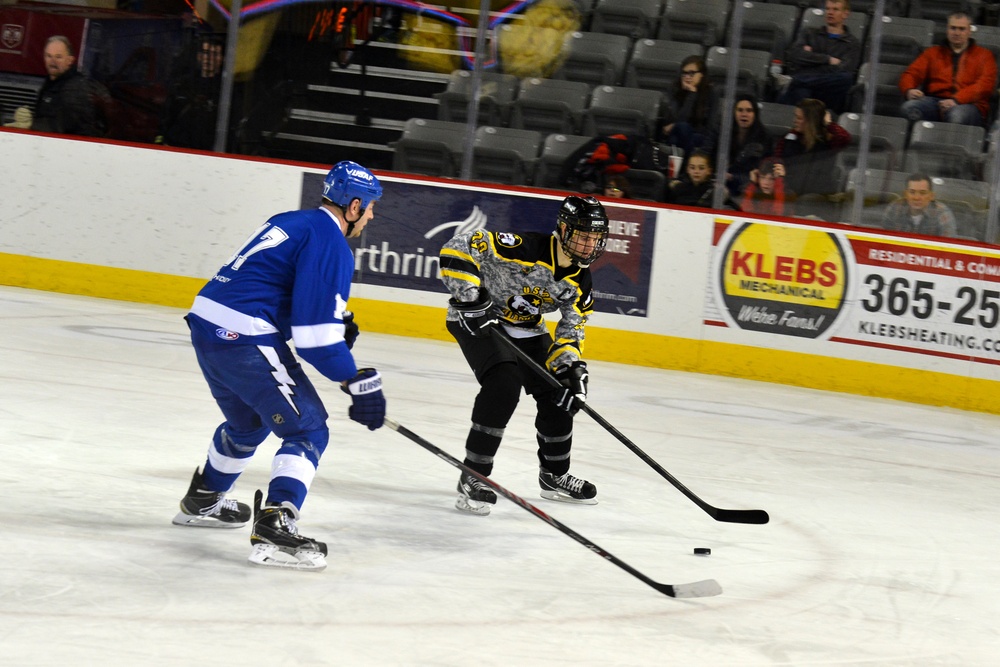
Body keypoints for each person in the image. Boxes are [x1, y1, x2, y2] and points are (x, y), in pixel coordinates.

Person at [172, 161, 387, 571]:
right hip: (244, 337)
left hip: (208, 324)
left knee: (249, 423)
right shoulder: (331, 241)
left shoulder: (293, 220)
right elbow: (314, 341)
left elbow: (267, 288)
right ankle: (276, 524)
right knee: (307, 429)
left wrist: (335, 325)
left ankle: (202, 499)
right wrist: (354, 379)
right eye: (371, 206)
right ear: (354, 205)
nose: (372, 216)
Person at [438, 195, 610, 515]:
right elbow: (457, 247)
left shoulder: (580, 281)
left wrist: (571, 367)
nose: (588, 246)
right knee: (504, 383)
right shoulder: (523, 247)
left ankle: (554, 475)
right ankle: (473, 475)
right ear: (563, 229)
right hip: (476, 319)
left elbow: (571, 330)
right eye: (583, 236)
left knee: (560, 391)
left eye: (595, 239)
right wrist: (471, 298)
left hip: (527, 328)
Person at [898, 12, 997, 126]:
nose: (957, 33)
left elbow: (985, 85)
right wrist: (909, 89)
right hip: (934, 102)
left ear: (969, 31)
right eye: (953, 28)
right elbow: (911, 73)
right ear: (947, 30)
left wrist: (956, 100)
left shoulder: (985, 56)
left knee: (956, 115)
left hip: (970, 105)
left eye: (962, 29)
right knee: (909, 107)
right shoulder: (932, 53)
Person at [777, 0, 862, 114]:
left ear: (845, 14)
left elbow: (844, 70)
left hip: (829, 92)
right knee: (802, 93)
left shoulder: (852, 43)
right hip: (805, 88)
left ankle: (794, 81)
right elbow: (794, 55)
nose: (830, 12)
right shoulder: (809, 33)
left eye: (835, 9)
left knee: (846, 79)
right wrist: (828, 60)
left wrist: (810, 60)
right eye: (828, 9)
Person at [773, 98, 850, 202]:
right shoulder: (789, 138)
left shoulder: (828, 142)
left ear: (811, 121)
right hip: (790, 193)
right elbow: (776, 159)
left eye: (799, 118)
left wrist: (828, 123)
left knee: (807, 200)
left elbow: (845, 138)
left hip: (817, 199)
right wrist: (779, 170)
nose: (794, 121)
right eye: (795, 117)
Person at [159, 34, 225, 149]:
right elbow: (166, 117)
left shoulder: (226, 91)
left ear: (222, 58)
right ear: (199, 56)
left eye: (214, 54)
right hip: (177, 149)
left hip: (209, 154)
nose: (208, 58)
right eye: (205, 53)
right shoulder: (182, 85)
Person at [31, 35, 104, 137]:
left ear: (70, 60)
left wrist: (31, 125)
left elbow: (68, 126)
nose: (52, 61)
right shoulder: (51, 83)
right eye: (48, 56)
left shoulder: (75, 88)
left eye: (58, 57)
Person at [658, 56, 719, 159]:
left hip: (699, 136)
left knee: (678, 137)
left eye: (691, 73)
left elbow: (711, 125)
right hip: (679, 133)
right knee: (682, 129)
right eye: (684, 73)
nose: (687, 77)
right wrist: (691, 95)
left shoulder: (711, 92)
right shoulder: (675, 89)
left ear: (702, 75)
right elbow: (680, 120)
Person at [723, 93, 774, 197]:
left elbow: (762, 171)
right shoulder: (724, 132)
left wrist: (733, 177)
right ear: (734, 112)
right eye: (740, 110)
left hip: (749, 185)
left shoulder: (765, 137)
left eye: (749, 110)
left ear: (755, 114)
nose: (744, 114)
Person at [879, 173, 957, 237]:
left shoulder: (942, 213)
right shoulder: (894, 209)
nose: (916, 198)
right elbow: (882, 241)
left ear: (931, 196)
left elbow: (949, 248)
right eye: (912, 192)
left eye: (922, 193)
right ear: (905, 194)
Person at [667, 149, 735, 209]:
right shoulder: (679, 188)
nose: (696, 172)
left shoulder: (715, 193)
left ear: (709, 171)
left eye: (701, 168)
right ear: (687, 169)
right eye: (692, 167)